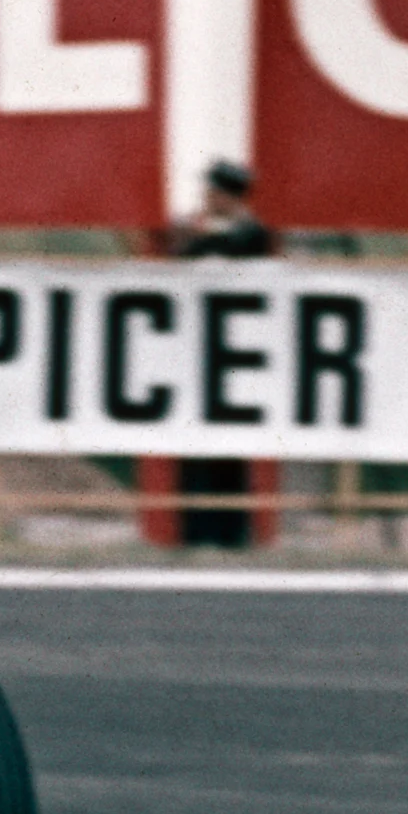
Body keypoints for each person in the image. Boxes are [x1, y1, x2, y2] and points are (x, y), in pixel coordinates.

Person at [168, 161, 270, 546]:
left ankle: (230, 533)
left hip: (237, 355)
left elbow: (232, 252)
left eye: (212, 193)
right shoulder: (199, 230)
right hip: (195, 352)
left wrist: (196, 240)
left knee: (231, 448)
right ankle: (194, 532)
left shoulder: (252, 234)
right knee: (192, 445)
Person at [168, 159, 277, 259]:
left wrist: (204, 233)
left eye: (214, 194)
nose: (207, 198)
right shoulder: (195, 223)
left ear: (231, 197)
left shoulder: (251, 230)